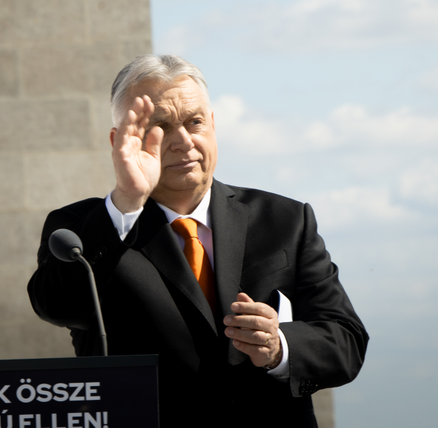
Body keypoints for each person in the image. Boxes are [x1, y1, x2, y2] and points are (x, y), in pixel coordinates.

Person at [27, 55, 367, 428]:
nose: (183, 141)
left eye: (195, 122)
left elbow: (345, 341)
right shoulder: (82, 230)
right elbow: (57, 305)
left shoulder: (286, 220)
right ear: (119, 140)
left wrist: (278, 347)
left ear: (213, 125)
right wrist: (126, 201)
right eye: (159, 127)